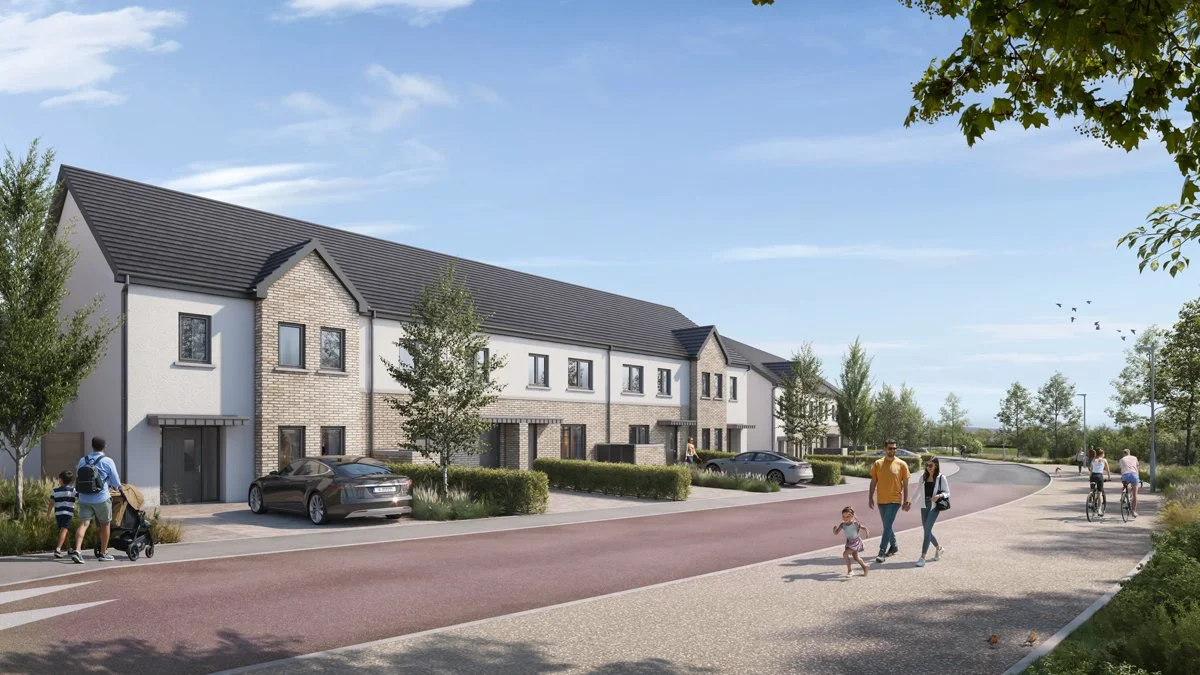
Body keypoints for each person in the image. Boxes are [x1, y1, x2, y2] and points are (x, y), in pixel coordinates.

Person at [71, 436, 122, 563]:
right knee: (105, 524)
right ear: (104, 447)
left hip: (84, 497)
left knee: (83, 524)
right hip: (101, 498)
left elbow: (78, 476)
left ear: (92, 446)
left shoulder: (83, 460)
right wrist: (117, 487)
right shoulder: (108, 461)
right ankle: (103, 553)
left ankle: (77, 551)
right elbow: (115, 481)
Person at [869, 439, 911, 563]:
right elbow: (873, 481)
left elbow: (906, 484)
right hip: (881, 499)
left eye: (894, 448)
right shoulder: (878, 463)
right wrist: (870, 496)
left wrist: (906, 500)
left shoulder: (902, 464)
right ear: (885, 449)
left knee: (887, 526)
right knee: (887, 525)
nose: (892, 450)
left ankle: (882, 552)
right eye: (890, 448)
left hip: (895, 500)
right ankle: (894, 546)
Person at [917, 457, 950, 567]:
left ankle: (922, 557)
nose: (928, 468)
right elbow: (917, 492)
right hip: (924, 505)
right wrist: (909, 502)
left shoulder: (941, 478)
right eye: (927, 465)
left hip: (934, 506)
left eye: (931, 465)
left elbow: (947, 493)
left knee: (926, 532)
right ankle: (939, 548)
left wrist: (939, 496)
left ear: (936, 465)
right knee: (927, 531)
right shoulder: (923, 477)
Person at [48, 470, 77, 559]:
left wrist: (48, 513)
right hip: (68, 514)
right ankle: (58, 549)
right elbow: (81, 497)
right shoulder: (73, 490)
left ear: (60, 480)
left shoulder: (55, 491)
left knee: (64, 530)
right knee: (64, 530)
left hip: (58, 514)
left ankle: (69, 549)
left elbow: (51, 503)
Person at [833, 506, 870, 576]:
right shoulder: (842, 524)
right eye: (843, 516)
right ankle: (865, 567)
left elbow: (863, 527)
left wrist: (867, 532)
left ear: (852, 516)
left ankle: (850, 570)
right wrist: (834, 530)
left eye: (847, 516)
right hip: (849, 542)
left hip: (856, 542)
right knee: (856, 558)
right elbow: (836, 533)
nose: (845, 518)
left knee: (845, 554)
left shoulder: (855, 524)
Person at [1089, 448, 1112, 516]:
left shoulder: (1093, 460)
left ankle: (1091, 502)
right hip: (1099, 476)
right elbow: (1107, 470)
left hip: (1093, 476)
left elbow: (1091, 470)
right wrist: (1109, 477)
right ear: (1102, 454)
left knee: (1092, 490)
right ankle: (1099, 510)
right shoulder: (1104, 460)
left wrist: (1089, 478)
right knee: (1099, 494)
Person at [1119, 449, 1141, 517]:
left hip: (1125, 475)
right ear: (1129, 453)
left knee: (1125, 485)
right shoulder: (1134, 458)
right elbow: (1137, 467)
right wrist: (1138, 477)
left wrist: (1122, 476)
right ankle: (1134, 511)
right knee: (1135, 494)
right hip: (1134, 475)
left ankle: (1122, 497)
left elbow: (1122, 469)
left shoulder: (1122, 459)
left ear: (1124, 453)